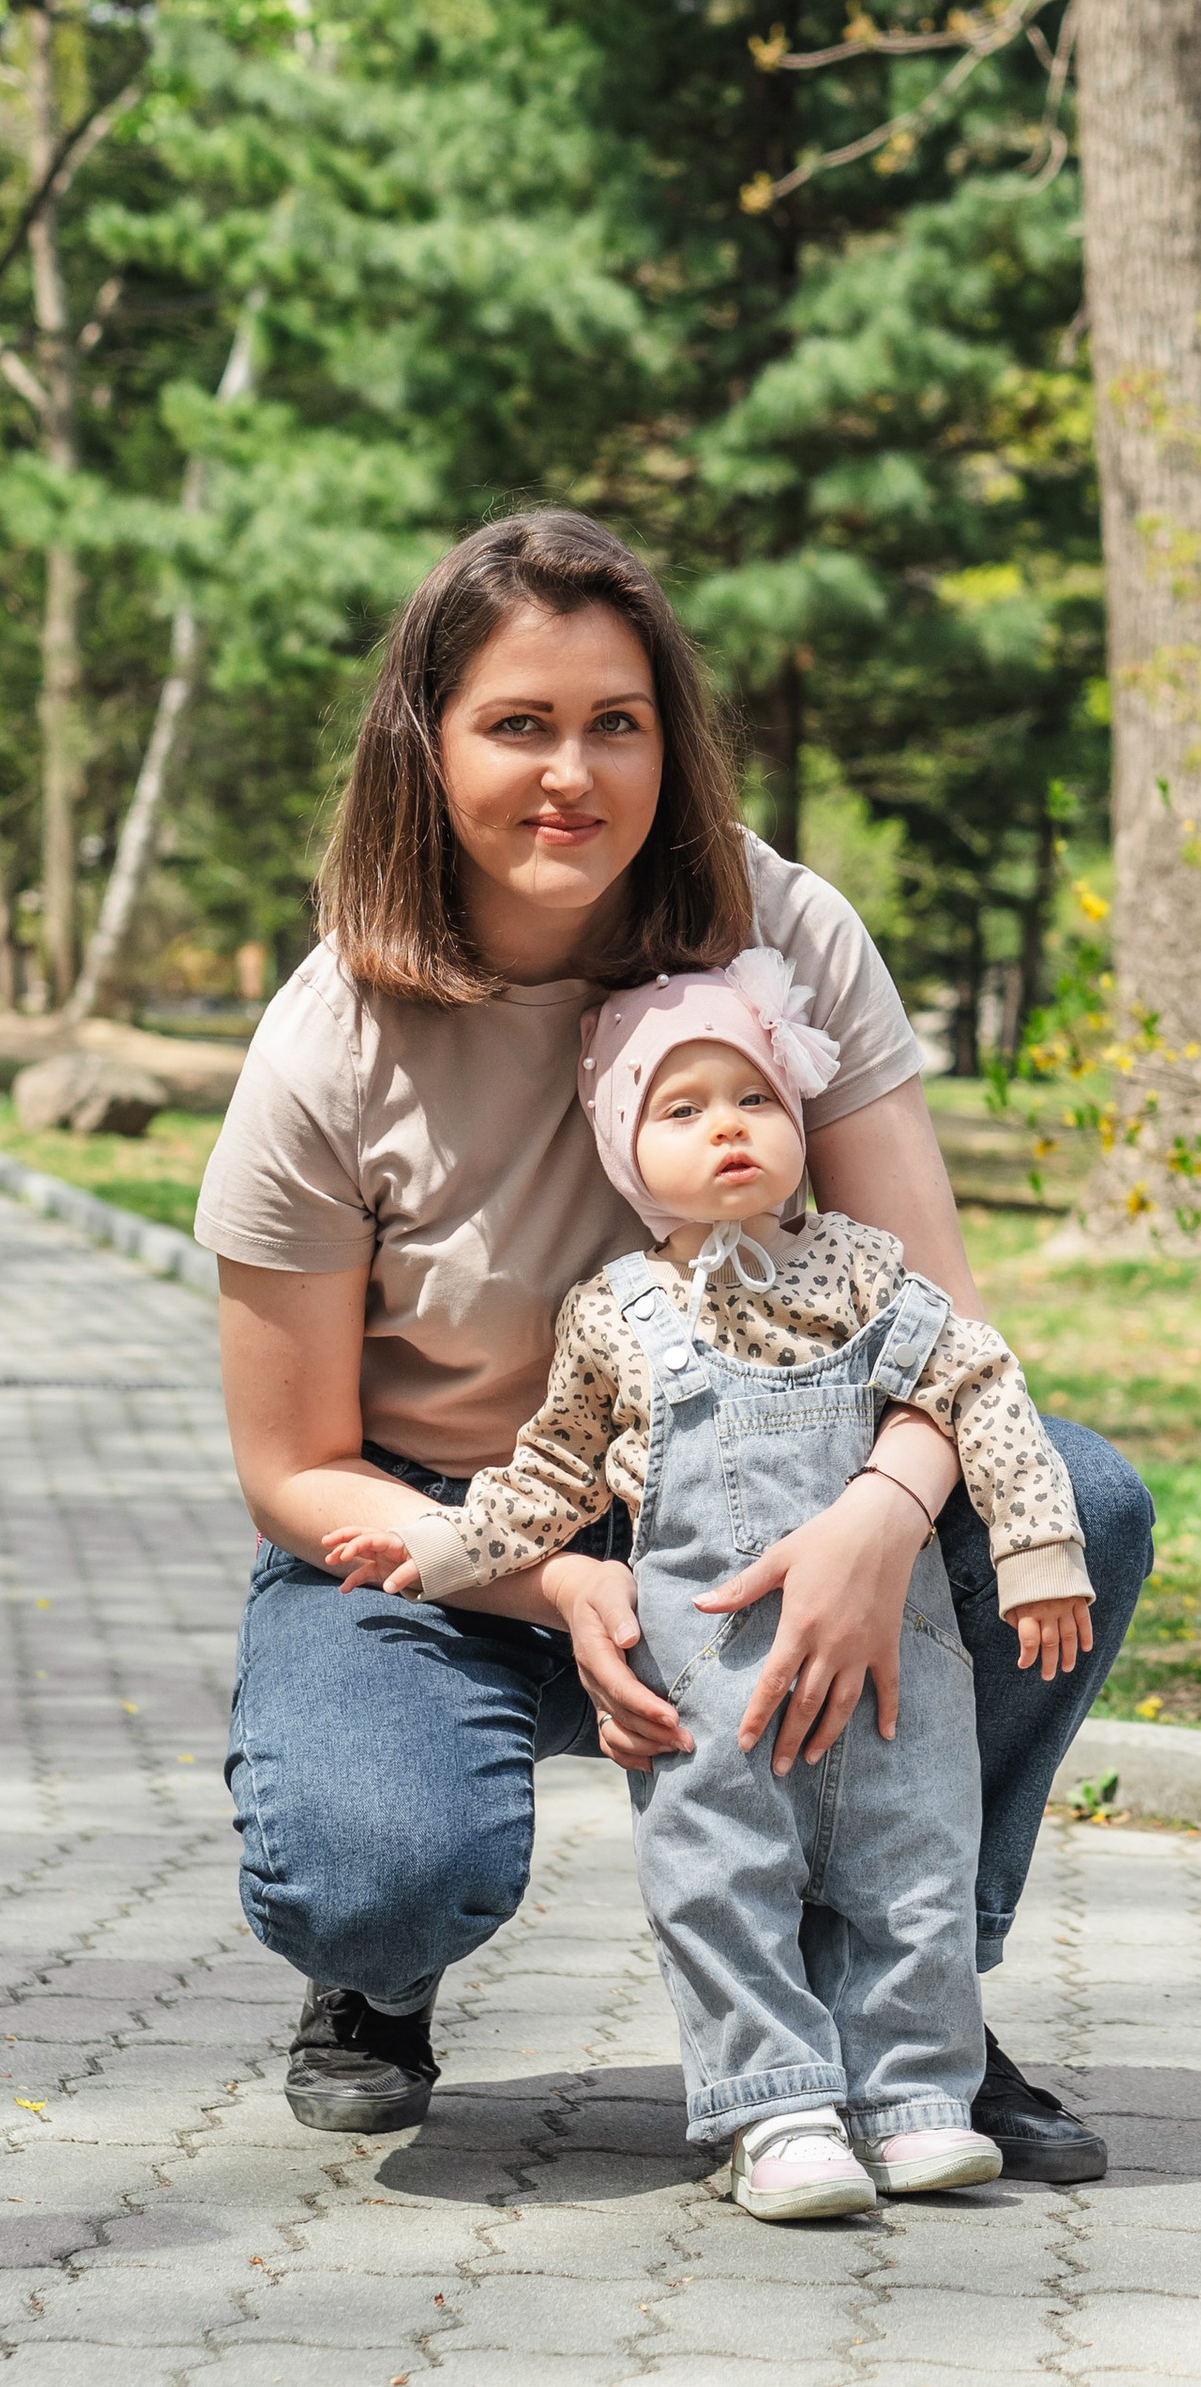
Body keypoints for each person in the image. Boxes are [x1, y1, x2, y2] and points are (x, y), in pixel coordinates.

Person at [199, 507, 1153, 2177]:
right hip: (453, 1540)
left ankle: (900, 1997)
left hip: (780, 1491)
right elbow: (293, 1469)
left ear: (671, 740)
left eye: (614, 724)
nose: (571, 773)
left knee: (1079, 1502)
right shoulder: (328, 1041)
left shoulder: (788, 931)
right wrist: (551, 1575)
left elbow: (948, 1333)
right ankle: (378, 1975)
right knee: (377, 1864)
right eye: (518, 724)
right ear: (426, 748)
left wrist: (873, 1517)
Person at [317, 949, 1092, 2220]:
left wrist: (1038, 1549)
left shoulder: (862, 1273)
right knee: (720, 1882)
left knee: (911, 1874)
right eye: (682, 1109)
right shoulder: (619, 1313)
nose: (728, 1125)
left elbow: (980, 1384)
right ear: (626, 1157)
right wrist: (447, 1548)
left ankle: (913, 2100)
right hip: (708, 1690)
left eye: (757, 1099)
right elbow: (556, 1464)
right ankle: (778, 2111)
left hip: (896, 1677)